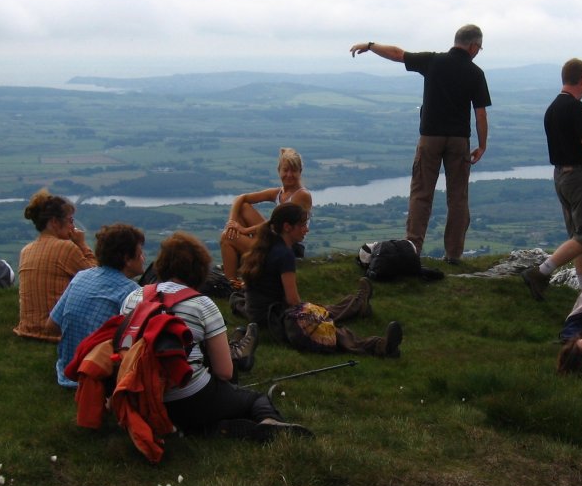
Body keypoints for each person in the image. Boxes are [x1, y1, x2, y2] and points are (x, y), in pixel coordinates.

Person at [121, 231, 309, 440]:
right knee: (254, 399)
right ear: (200, 269)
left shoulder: (133, 297)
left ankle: (207, 425)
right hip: (188, 398)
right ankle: (268, 421)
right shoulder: (202, 304)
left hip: (139, 395)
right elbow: (224, 373)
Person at [350, 24, 491, 264]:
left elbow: (397, 54)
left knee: (421, 194)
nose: (478, 52)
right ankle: (454, 255)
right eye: (479, 48)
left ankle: (412, 248)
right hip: (459, 140)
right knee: (458, 197)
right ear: (473, 45)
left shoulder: (433, 61)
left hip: (430, 137)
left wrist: (371, 46)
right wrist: (482, 145)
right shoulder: (475, 73)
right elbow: (480, 115)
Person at [237, 203, 403, 358]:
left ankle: (358, 304)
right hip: (274, 319)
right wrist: (311, 315)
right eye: (302, 225)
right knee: (326, 328)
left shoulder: (267, 244)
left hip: (260, 315)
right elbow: (293, 300)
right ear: (287, 227)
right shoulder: (284, 254)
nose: (306, 230)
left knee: (320, 310)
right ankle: (381, 346)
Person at [521, 58, 582, 300]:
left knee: (579, 234)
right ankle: (541, 272)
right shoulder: (575, 108)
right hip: (580, 176)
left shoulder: (553, 108)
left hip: (561, 175)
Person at [47, 224, 147, 388]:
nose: (143, 258)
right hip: (97, 376)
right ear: (127, 259)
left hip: (66, 371)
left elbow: (51, 325)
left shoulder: (82, 276)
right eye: (140, 253)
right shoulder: (132, 292)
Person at [220, 147, 312, 288]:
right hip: (274, 238)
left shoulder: (301, 195)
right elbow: (241, 198)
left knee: (227, 237)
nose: (289, 175)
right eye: (285, 170)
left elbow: (276, 224)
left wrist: (244, 231)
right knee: (243, 207)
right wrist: (232, 222)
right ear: (279, 171)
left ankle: (231, 285)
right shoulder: (279, 193)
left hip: (286, 246)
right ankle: (241, 273)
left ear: (300, 172)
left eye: (293, 171)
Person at [16, 189, 96, 342]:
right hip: (56, 332)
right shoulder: (66, 248)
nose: (73, 226)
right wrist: (82, 244)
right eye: (70, 220)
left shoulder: (26, 250)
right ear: (54, 222)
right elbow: (97, 278)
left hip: (28, 329)